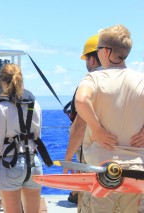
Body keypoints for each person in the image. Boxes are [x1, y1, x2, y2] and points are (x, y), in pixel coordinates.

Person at [75, 24, 144, 213]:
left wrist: (97, 129)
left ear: (105, 51)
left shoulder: (94, 79)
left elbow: (81, 100)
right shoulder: (141, 79)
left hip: (103, 172)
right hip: (136, 172)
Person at [0, 63, 43, 213]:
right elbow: (37, 137)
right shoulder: (35, 104)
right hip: (34, 163)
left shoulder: (2, 108)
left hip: (10, 165)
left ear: (3, 82)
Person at [64, 34, 102, 205]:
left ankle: (75, 194)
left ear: (93, 60)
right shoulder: (133, 81)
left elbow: (80, 125)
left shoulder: (89, 85)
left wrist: (68, 157)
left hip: (92, 152)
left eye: (86, 58)